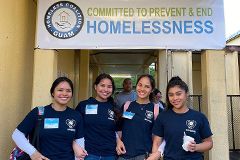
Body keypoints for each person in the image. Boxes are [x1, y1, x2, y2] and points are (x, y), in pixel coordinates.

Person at [12, 77, 86, 160]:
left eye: (68, 91)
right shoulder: (39, 112)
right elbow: (17, 135)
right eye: (60, 90)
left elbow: (80, 144)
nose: (64, 93)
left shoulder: (76, 115)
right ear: (52, 93)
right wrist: (33, 153)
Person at [147, 76, 213, 160]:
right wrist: (154, 156)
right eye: (171, 95)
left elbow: (209, 143)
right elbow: (156, 143)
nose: (175, 98)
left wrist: (196, 147)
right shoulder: (163, 117)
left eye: (178, 94)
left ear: (186, 94)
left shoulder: (199, 117)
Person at [75, 73, 121, 160]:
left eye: (109, 86)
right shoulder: (83, 105)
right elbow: (74, 128)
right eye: (102, 85)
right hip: (88, 153)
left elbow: (118, 131)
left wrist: (119, 141)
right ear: (95, 86)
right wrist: (75, 146)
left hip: (110, 154)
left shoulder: (115, 108)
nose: (105, 89)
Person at [116, 74, 161, 160]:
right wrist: (118, 142)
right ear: (136, 86)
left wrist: (155, 154)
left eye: (147, 86)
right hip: (124, 155)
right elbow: (118, 128)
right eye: (140, 85)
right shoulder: (126, 106)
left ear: (152, 90)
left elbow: (159, 137)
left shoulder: (156, 109)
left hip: (144, 156)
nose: (142, 89)